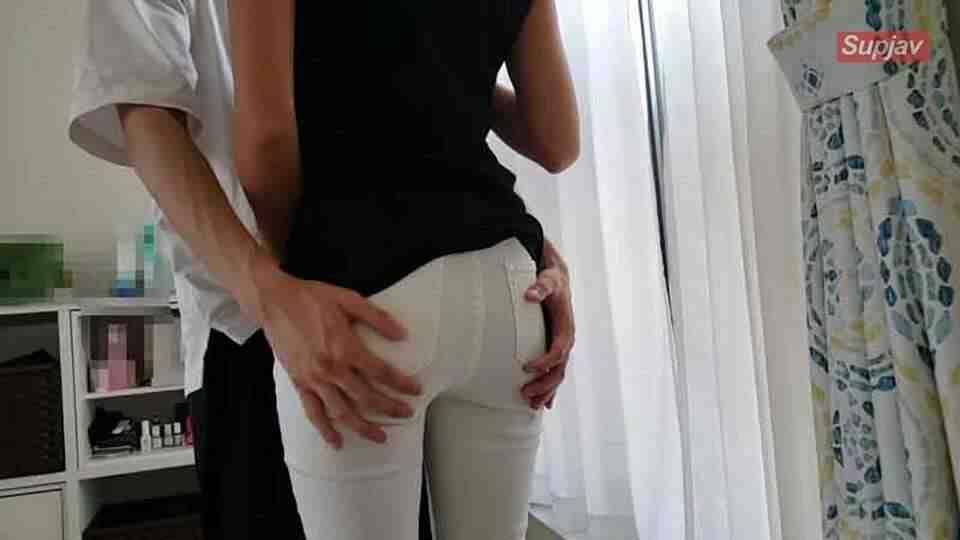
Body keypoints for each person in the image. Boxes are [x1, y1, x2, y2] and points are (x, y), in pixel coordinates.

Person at [66, 1, 576, 539]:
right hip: (254, 306)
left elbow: (276, 140)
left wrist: (305, 267)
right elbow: (144, 112)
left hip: (354, 283)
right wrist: (271, 290)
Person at [229, 1, 579, 539]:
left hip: (359, 292)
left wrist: (289, 274)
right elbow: (557, 140)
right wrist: (439, 60)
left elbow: (266, 142)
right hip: (505, 284)